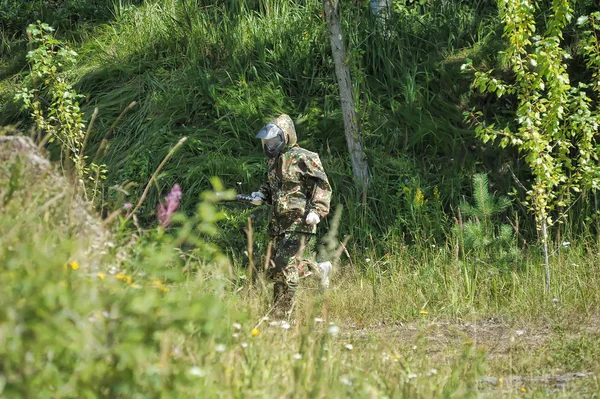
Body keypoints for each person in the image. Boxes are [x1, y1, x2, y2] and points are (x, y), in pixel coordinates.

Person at [249, 114, 332, 316]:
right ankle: (319, 270)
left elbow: (323, 186)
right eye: (267, 142)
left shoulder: (305, 157)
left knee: (284, 268)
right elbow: (272, 187)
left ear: (286, 136)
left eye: (274, 140)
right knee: (276, 269)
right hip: (278, 223)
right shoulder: (274, 161)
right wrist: (261, 195)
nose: (270, 145)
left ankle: (281, 314)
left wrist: (317, 211)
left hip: (300, 220)